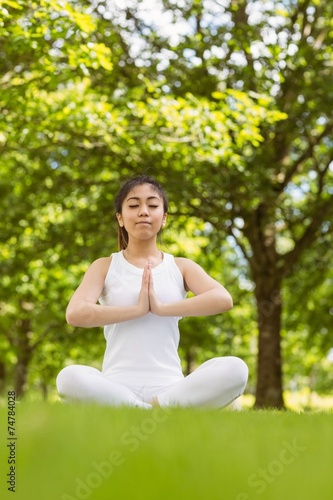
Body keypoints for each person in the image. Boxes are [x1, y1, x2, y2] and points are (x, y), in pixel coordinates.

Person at [56, 175, 248, 409]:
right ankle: (149, 410)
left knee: (236, 369)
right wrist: (136, 310)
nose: (144, 212)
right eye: (134, 205)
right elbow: (75, 313)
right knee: (68, 377)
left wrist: (161, 308)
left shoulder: (180, 266)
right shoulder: (105, 266)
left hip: (171, 386)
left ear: (164, 218)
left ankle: (152, 407)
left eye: (153, 205)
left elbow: (222, 299)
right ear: (120, 218)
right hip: (116, 386)